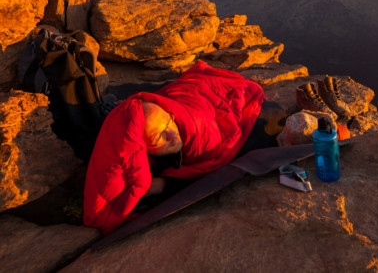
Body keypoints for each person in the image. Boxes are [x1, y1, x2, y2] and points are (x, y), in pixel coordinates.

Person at [83, 60, 268, 234]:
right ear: (144, 149)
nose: (171, 135)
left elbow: (208, 172)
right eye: (159, 137)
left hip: (198, 100)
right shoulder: (145, 146)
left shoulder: (204, 142)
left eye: (168, 124)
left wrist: (161, 185)